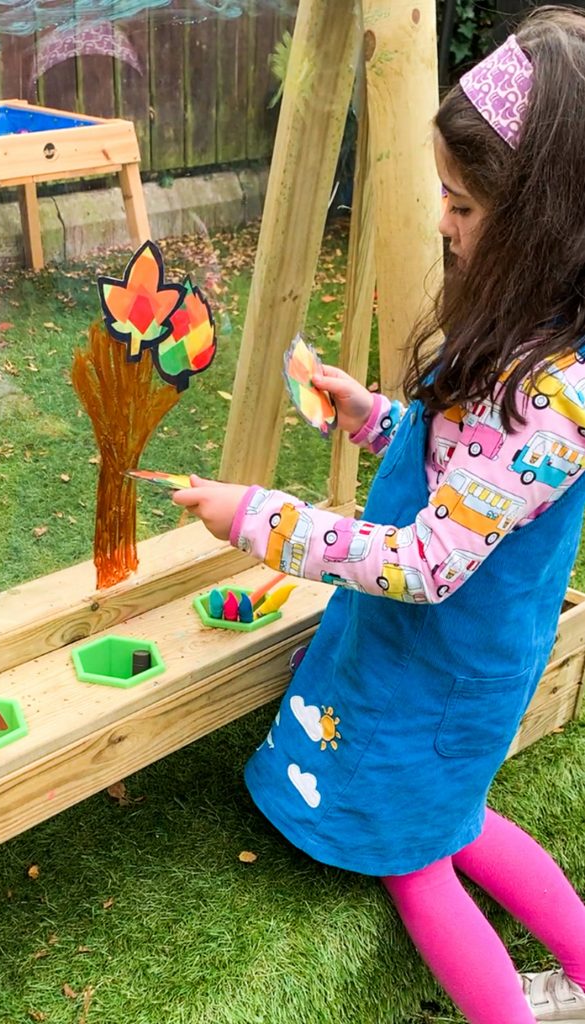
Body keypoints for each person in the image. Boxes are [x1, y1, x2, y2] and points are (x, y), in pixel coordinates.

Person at [172, 8, 585, 1023]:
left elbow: (429, 558)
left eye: (461, 203)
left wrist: (262, 520)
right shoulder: (528, 340)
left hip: (443, 665)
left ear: (539, 224)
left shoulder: (555, 391)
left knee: (416, 854)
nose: (442, 220)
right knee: (455, 816)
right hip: (448, 660)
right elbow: (463, 461)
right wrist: (374, 417)